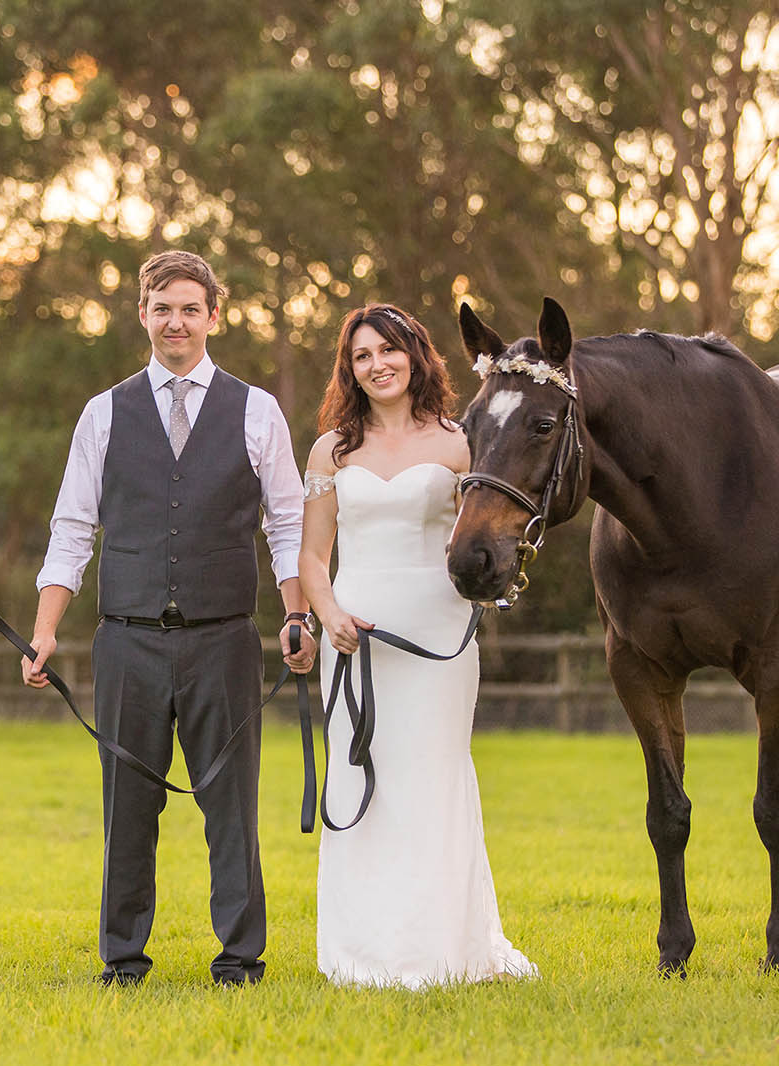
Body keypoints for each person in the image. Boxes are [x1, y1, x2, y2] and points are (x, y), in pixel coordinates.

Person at [23, 250, 315, 987]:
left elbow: (286, 524)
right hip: (127, 641)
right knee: (127, 811)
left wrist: (297, 616)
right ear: (143, 316)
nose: (176, 321)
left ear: (214, 315)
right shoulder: (103, 412)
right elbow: (72, 527)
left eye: (190, 308)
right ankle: (123, 961)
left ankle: (240, 959)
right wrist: (46, 628)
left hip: (225, 639)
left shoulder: (256, 410)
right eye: (162, 308)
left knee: (232, 809)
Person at [299, 302, 536, 988]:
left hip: (437, 633)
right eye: (362, 356)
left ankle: (442, 949)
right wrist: (328, 612)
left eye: (388, 351)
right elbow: (314, 556)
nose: (377, 365)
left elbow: (495, 531)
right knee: (361, 776)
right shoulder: (331, 451)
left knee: (433, 779)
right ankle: (362, 950)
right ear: (350, 369)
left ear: (416, 355)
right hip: (356, 637)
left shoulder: (462, 443)